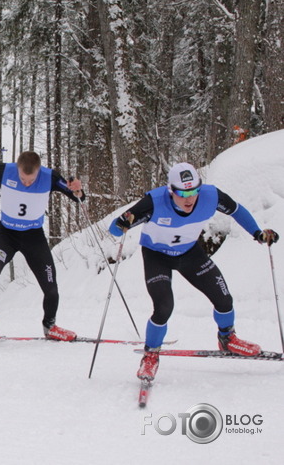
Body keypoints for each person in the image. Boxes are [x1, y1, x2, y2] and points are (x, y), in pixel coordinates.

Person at [109, 162, 279, 381]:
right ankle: (151, 355)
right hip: (156, 256)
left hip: (189, 253)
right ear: (171, 190)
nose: (189, 199)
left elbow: (237, 210)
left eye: (194, 191)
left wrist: (257, 233)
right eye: (183, 193)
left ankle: (227, 338)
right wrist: (123, 222)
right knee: (163, 307)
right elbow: (114, 229)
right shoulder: (153, 202)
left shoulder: (211, 196)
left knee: (224, 298)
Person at [0, 139, 84, 340]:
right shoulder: (5, 171)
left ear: (38, 170)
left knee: (50, 285)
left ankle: (50, 327)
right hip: (6, 235)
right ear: (18, 168)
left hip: (33, 237)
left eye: (31, 179)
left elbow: (77, 197)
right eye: (23, 178)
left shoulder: (50, 177)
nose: (27, 183)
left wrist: (77, 189)